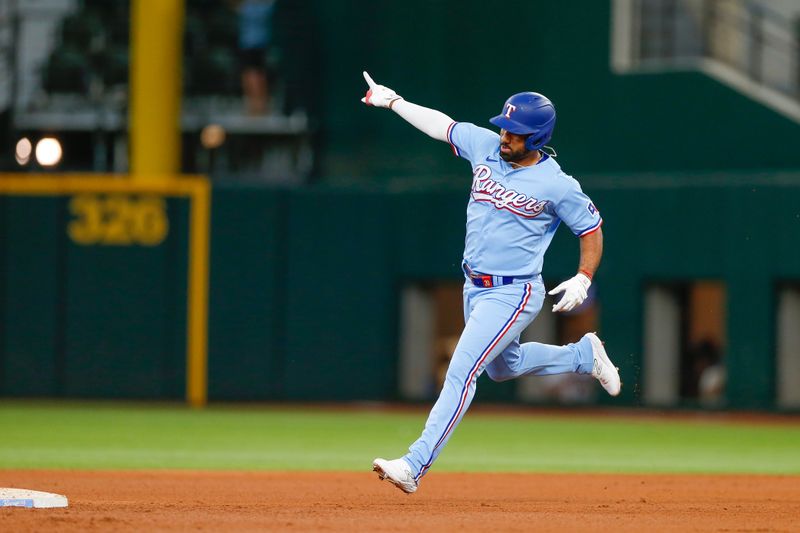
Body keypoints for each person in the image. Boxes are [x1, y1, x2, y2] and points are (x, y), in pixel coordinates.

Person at [360, 71, 621, 494]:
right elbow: (441, 125)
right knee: (504, 367)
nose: (504, 135)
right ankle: (581, 356)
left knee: (461, 372)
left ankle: (414, 464)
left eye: (515, 132)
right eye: (504, 126)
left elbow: (591, 229)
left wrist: (584, 276)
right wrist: (394, 102)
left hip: (513, 291)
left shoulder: (557, 185)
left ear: (536, 139)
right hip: (474, 286)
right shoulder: (486, 146)